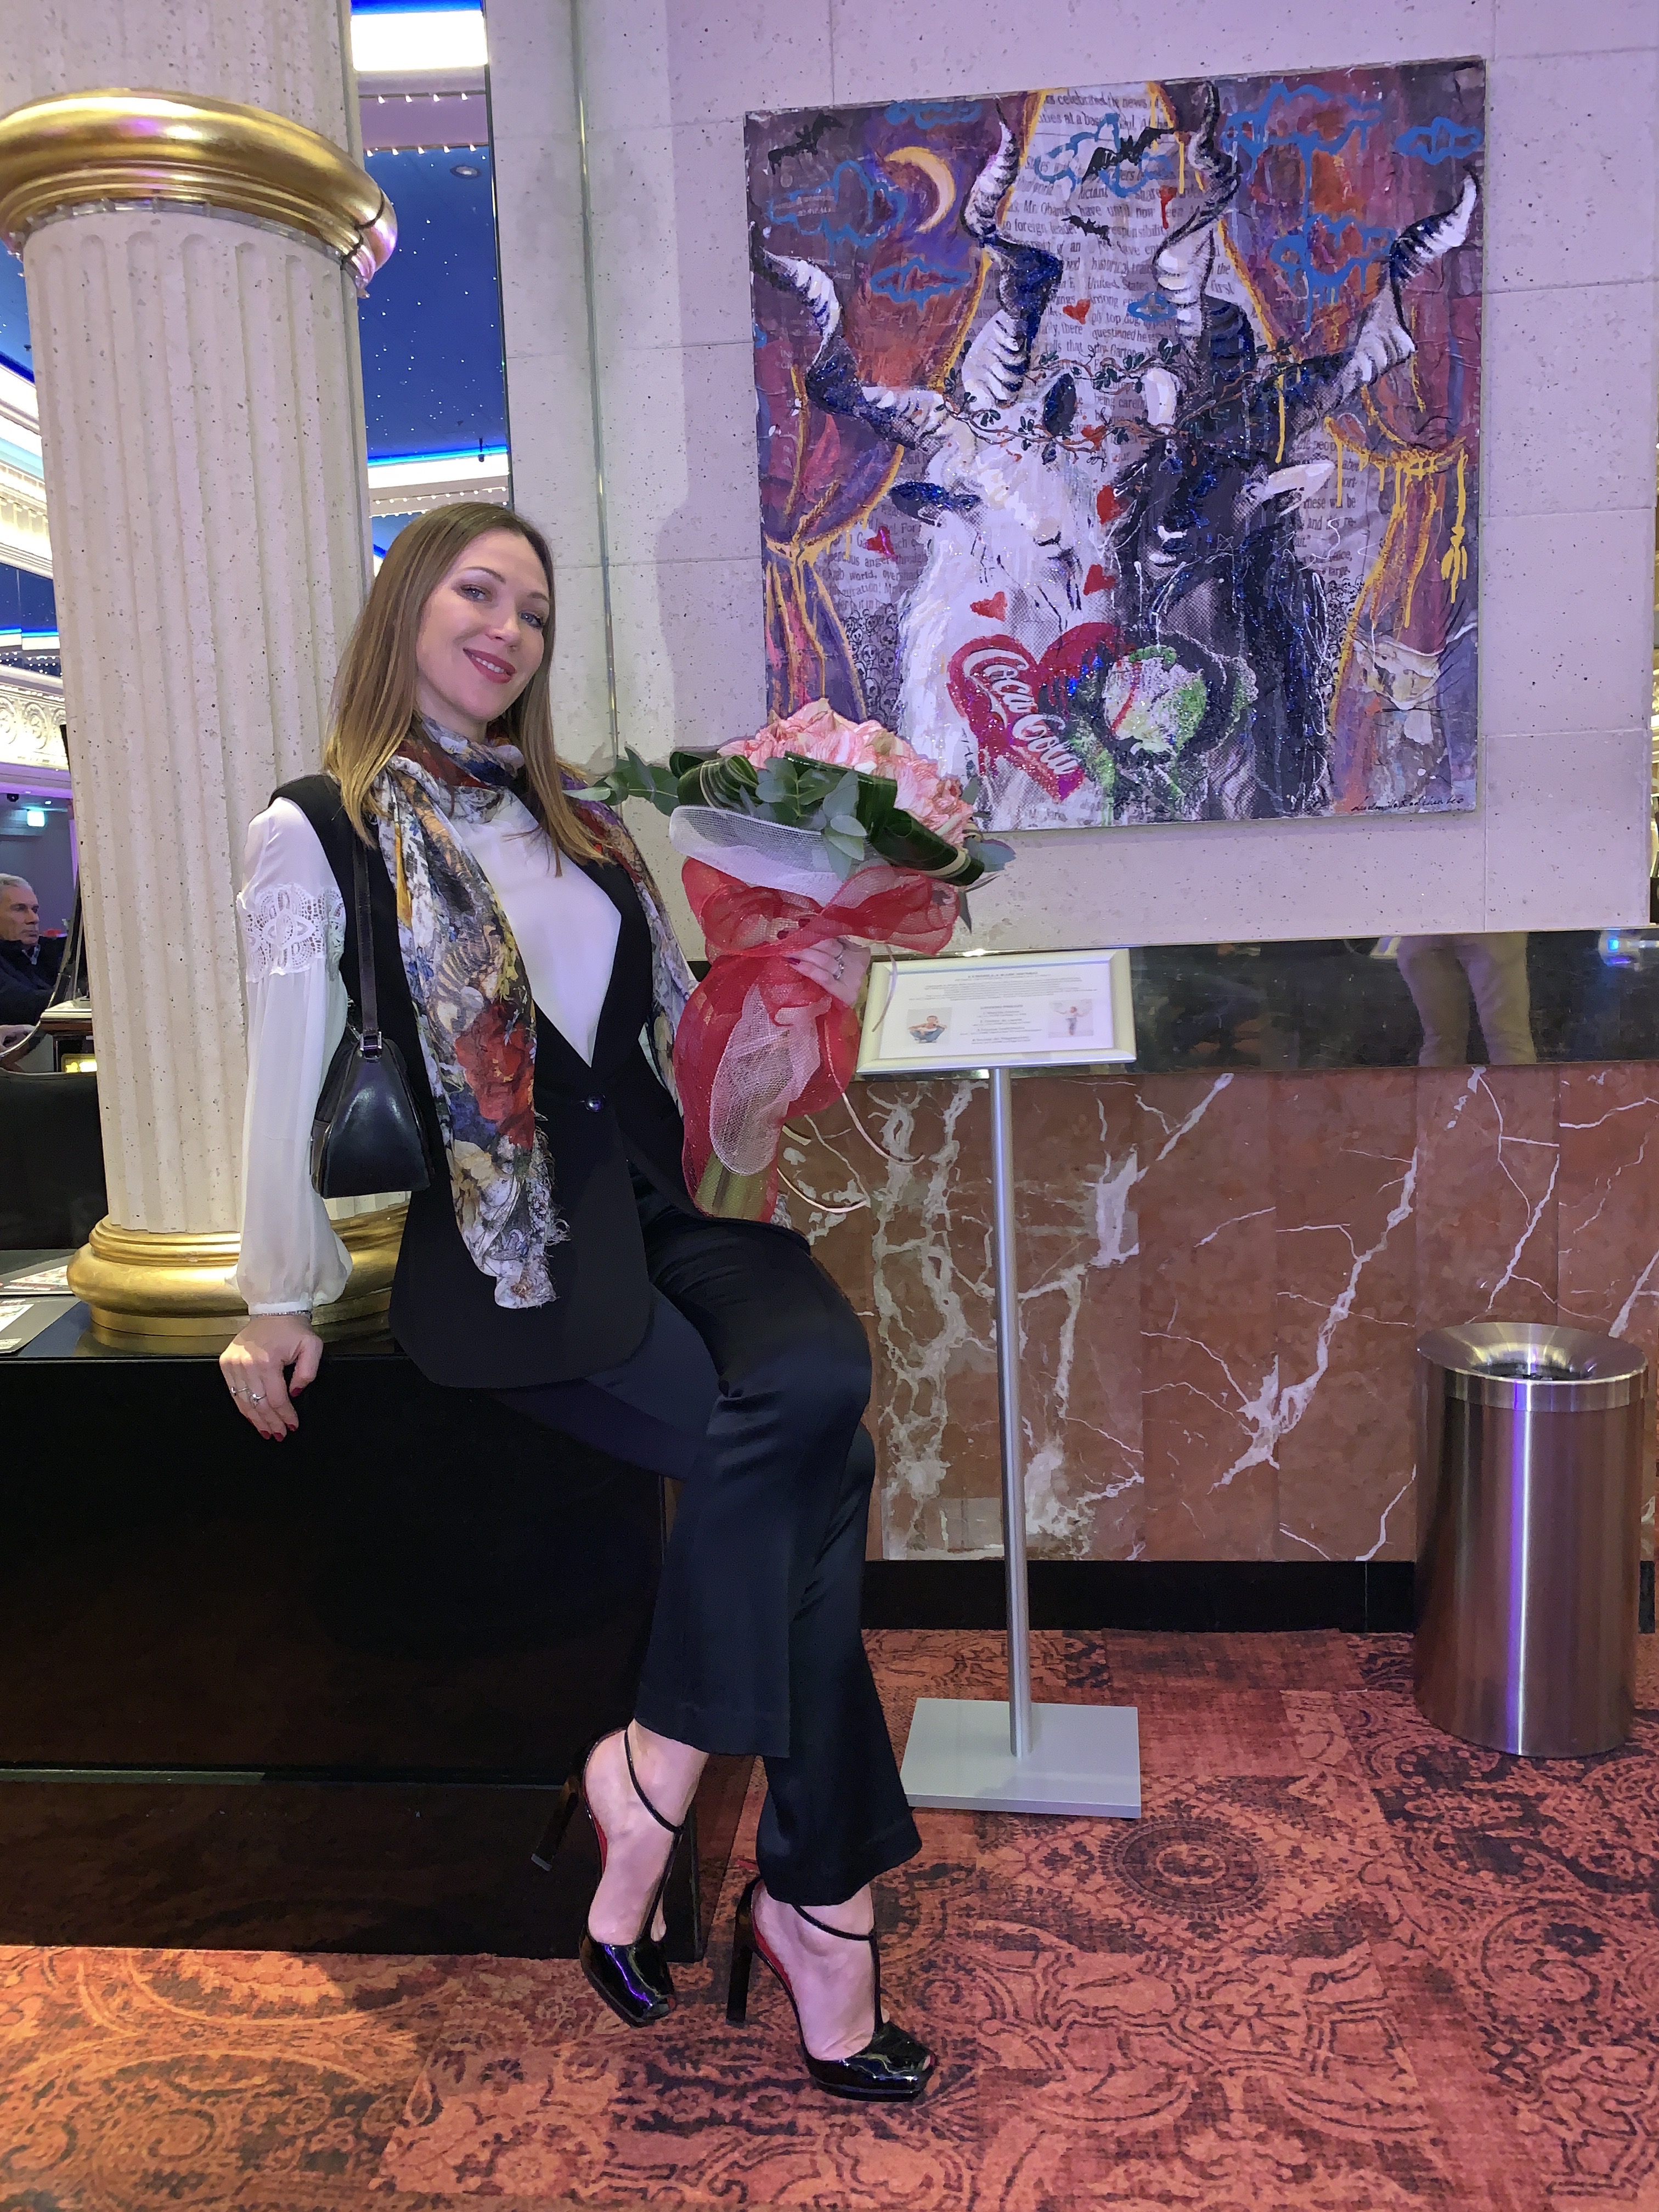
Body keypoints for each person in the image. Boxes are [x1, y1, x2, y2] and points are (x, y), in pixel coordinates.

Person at [218, 504, 934, 2104]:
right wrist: (276, 1293)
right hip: (512, 1259)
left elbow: (674, 1056)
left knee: (820, 1382)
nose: (508, 628)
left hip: (658, 1213)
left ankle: (651, 1768)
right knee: (817, 1466)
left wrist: (801, 955)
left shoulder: (589, 823)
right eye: (477, 592)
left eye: (533, 609)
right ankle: (823, 1909)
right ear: (406, 609)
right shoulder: (322, 826)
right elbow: (283, 1070)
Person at [1394, 932, 1537, 1066]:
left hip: (1424, 926)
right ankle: (1517, 1085)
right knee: (1508, 1039)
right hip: (1488, 927)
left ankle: (1437, 1086)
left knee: (1440, 1042)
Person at [0, 875, 60, 1027]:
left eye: (35, 910)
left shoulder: (41, 952)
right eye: (20, 909)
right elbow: (25, 1006)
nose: (34, 919)